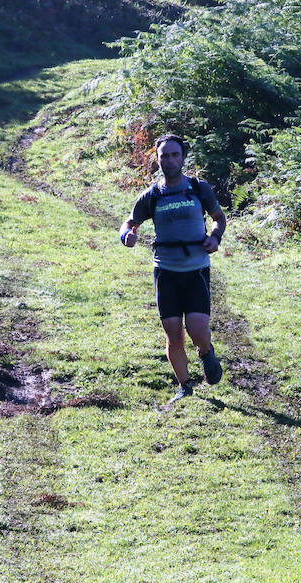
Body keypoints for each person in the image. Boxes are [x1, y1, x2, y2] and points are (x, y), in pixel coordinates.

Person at [119, 134, 226, 401]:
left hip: (196, 269)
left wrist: (215, 238)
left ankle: (205, 352)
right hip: (165, 271)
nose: (169, 160)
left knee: (198, 330)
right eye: (164, 155)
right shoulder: (151, 196)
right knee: (173, 333)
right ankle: (185, 386)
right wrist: (126, 236)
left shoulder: (199, 189)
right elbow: (129, 223)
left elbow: (218, 218)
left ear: (183, 157)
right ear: (157, 160)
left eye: (174, 155)